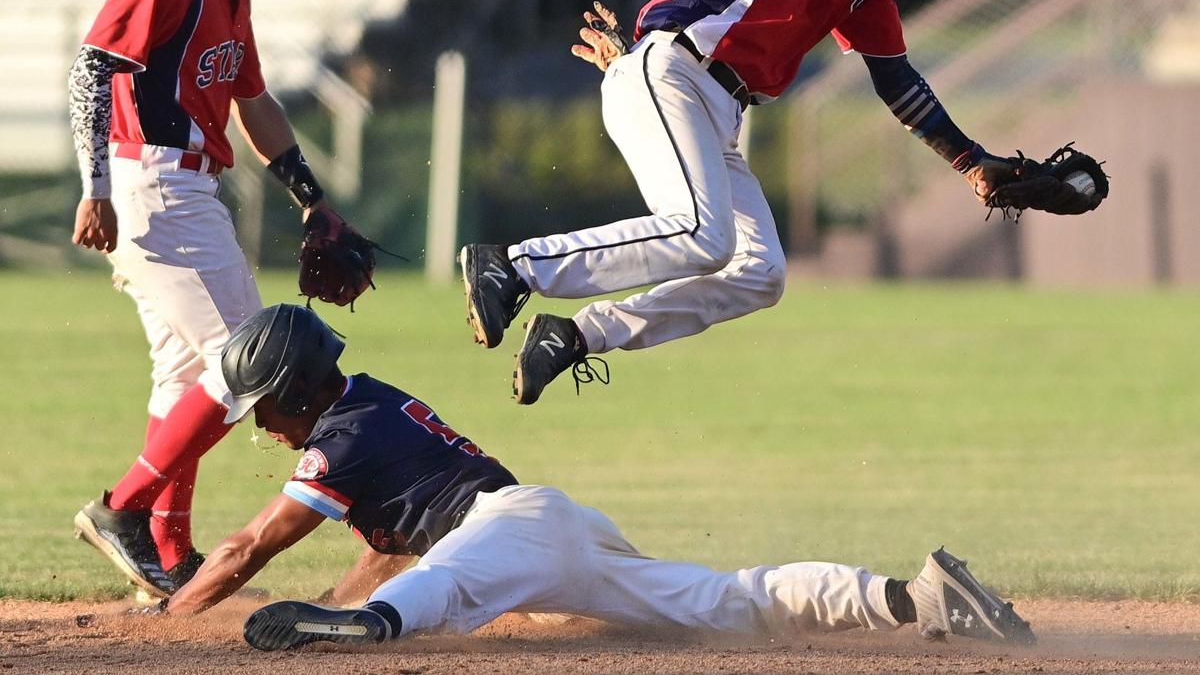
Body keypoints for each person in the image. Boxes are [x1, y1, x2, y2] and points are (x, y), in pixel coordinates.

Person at [459, 0, 1021, 405]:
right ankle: (513, 266)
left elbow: (892, 73)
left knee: (761, 273)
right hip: (674, 66)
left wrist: (969, 161)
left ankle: (574, 337)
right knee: (704, 234)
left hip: (720, 110)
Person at [158, 303, 1034, 653]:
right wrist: (341, 603)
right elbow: (391, 549)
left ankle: (373, 634)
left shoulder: (337, 441)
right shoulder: (373, 405)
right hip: (548, 526)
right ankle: (912, 598)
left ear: (299, 391)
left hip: (509, 533)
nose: (261, 426)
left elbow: (242, 548)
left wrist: (168, 622)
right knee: (724, 606)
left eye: (263, 406)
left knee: (443, 589)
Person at [68, 0, 365, 599]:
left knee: (186, 376)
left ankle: (163, 559)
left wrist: (311, 198)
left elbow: (252, 100)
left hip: (186, 188)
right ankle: (125, 510)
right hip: (153, 185)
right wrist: (93, 185)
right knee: (256, 360)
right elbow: (92, 72)